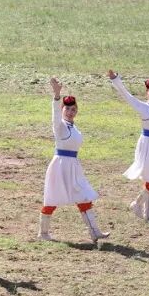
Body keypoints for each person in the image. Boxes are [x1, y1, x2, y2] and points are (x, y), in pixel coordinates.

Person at [40, 78, 108, 243]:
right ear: (62, 109)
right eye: (67, 109)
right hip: (60, 166)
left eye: (73, 109)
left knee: (83, 196)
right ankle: (43, 233)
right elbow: (55, 116)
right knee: (52, 198)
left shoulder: (74, 127)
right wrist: (57, 95)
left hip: (73, 166)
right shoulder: (60, 126)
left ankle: (94, 231)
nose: (70, 112)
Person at [107, 70, 149, 223]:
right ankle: (137, 205)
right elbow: (127, 96)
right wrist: (116, 80)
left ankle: (148, 215)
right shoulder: (143, 108)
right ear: (147, 93)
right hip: (147, 146)